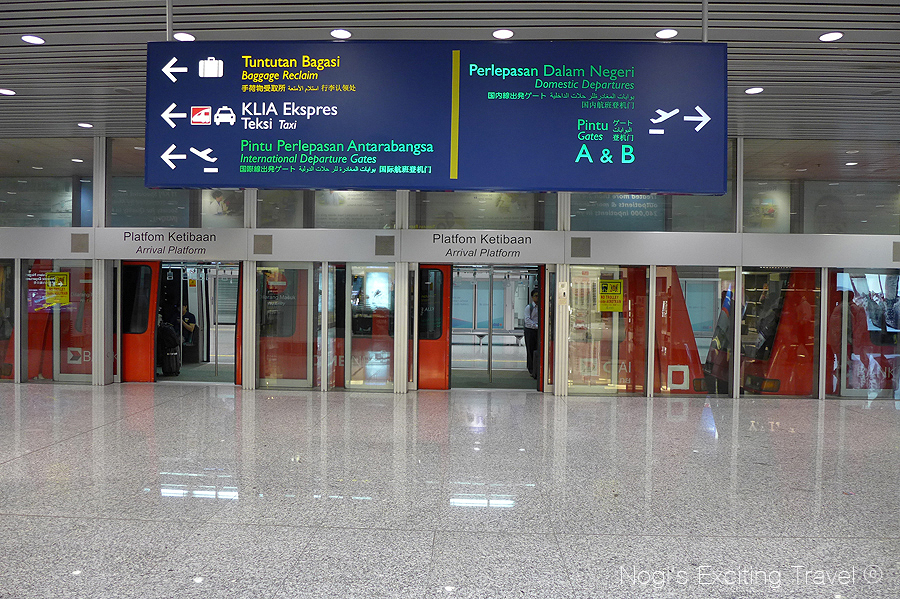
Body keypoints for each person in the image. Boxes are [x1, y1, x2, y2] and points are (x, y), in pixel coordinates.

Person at [524, 289, 540, 379]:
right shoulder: (529, 307)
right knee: (530, 350)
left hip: (538, 330)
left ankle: (536, 369)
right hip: (530, 331)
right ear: (532, 297)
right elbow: (527, 320)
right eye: (536, 296)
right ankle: (531, 369)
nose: (537, 298)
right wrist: (536, 326)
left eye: (538, 296)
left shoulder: (541, 307)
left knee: (537, 349)